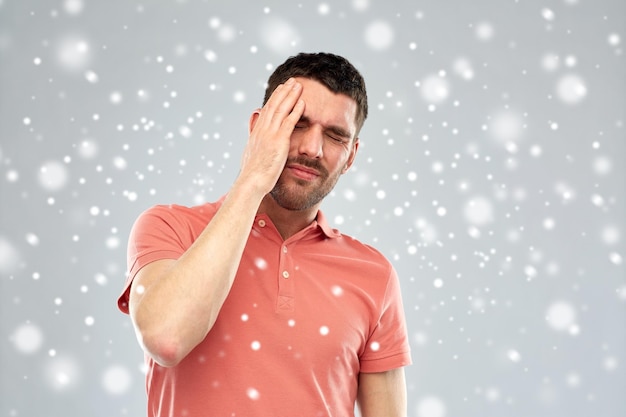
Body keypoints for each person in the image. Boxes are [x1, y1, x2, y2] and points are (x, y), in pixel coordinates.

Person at [117, 52, 412, 417]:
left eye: (335, 136)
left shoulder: (375, 275)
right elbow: (166, 339)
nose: (312, 149)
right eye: (297, 124)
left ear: (351, 157)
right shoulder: (171, 228)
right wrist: (253, 179)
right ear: (259, 127)